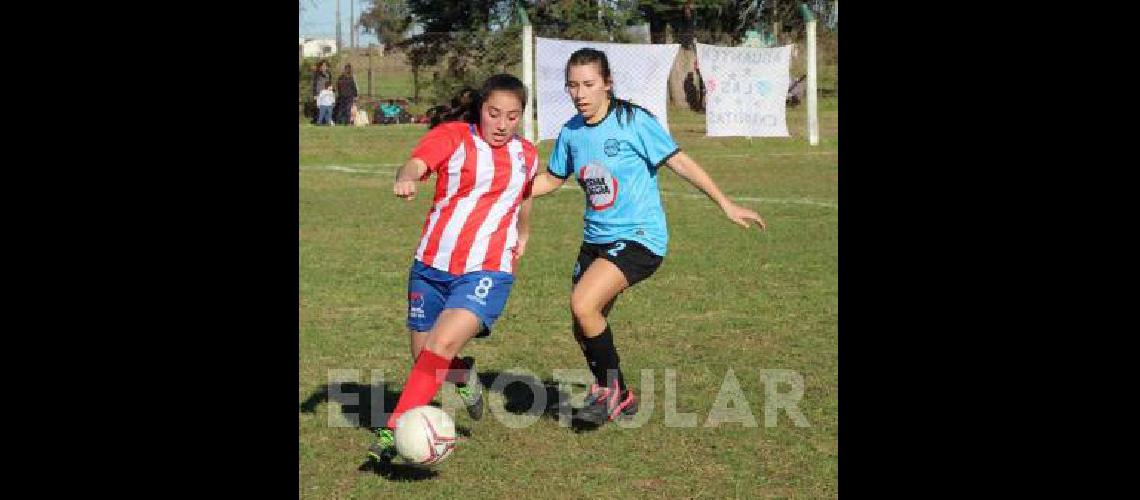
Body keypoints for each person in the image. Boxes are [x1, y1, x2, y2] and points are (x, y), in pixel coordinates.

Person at [528, 48, 767, 427]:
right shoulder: (571, 132)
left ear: (608, 83)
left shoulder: (633, 121)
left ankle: (607, 393)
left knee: (582, 304)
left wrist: (725, 203)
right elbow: (553, 179)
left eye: (589, 84)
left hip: (641, 238)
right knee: (585, 322)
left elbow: (680, 161)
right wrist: (510, 189)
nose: (580, 93)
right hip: (596, 240)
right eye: (572, 86)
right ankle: (621, 394)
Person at [367, 74, 539, 462]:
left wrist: (524, 233)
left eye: (512, 117)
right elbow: (414, 164)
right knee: (426, 355)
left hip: (487, 269)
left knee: (440, 345)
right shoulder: (454, 137)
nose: (502, 124)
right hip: (430, 266)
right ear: (481, 108)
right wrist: (406, 180)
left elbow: (524, 194)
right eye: (494, 113)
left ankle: (391, 433)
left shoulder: (526, 154)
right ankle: (463, 375)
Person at [310, 59, 332, 124]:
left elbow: (330, 84)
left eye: (325, 66)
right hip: (318, 94)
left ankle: (324, 121)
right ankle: (317, 120)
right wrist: (314, 95)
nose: (324, 67)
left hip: (326, 95)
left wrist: (330, 93)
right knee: (318, 108)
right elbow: (314, 85)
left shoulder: (329, 74)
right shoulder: (317, 74)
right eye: (323, 66)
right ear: (320, 67)